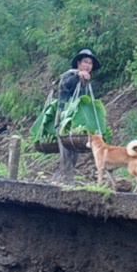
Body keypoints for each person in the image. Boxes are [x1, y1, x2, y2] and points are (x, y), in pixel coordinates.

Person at [53, 48, 97, 183]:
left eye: (90, 63)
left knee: (74, 155)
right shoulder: (68, 75)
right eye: (85, 62)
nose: (88, 66)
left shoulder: (86, 81)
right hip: (64, 121)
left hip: (77, 122)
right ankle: (67, 182)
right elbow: (65, 85)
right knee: (66, 153)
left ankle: (61, 180)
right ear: (79, 63)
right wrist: (78, 74)